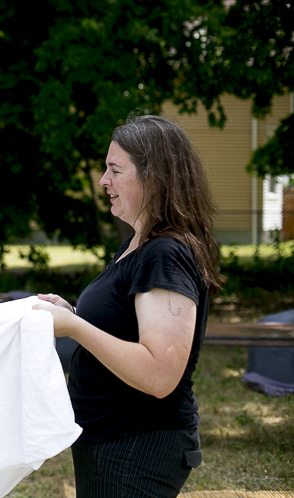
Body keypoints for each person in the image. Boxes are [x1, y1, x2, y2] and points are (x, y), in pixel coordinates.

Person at [33, 115, 224, 497]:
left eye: (115, 170)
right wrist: (73, 315)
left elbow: (159, 374)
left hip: (137, 445)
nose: (104, 181)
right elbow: (126, 328)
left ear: (153, 178)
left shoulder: (165, 253)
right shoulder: (138, 245)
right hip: (111, 439)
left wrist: (74, 328)